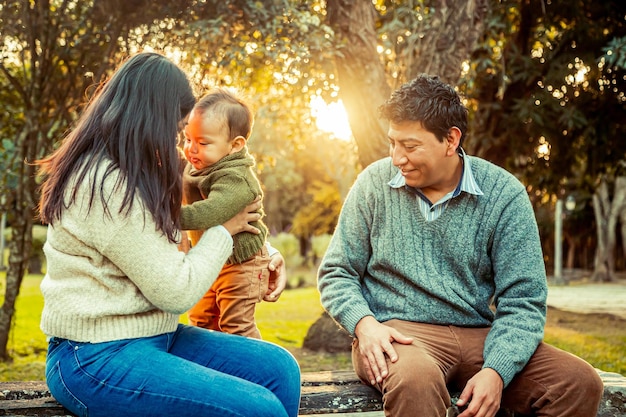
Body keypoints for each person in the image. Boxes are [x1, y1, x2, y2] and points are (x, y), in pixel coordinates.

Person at [317, 74, 603, 417]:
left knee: (577, 381)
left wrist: (496, 371)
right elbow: (337, 272)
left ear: (451, 140)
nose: (396, 157)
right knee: (416, 381)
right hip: (398, 336)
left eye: (410, 146)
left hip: (479, 336)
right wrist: (365, 326)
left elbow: (524, 300)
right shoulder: (373, 186)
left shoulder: (504, 194)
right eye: (392, 143)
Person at [36, 52, 301, 417]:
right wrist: (225, 232)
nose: (181, 143)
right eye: (177, 129)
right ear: (151, 119)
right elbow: (176, 291)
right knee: (258, 409)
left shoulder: (138, 168)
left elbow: (195, 217)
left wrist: (261, 249)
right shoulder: (100, 182)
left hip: (154, 334)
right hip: (92, 353)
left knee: (278, 370)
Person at [179, 87, 272, 338]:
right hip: (211, 260)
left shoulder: (235, 177)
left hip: (242, 264)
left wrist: (167, 216)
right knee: (200, 321)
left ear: (235, 145)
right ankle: (214, 372)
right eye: (188, 139)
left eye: (203, 142)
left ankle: (257, 372)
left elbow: (210, 212)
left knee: (235, 325)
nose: (191, 149)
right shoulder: (200, 163)